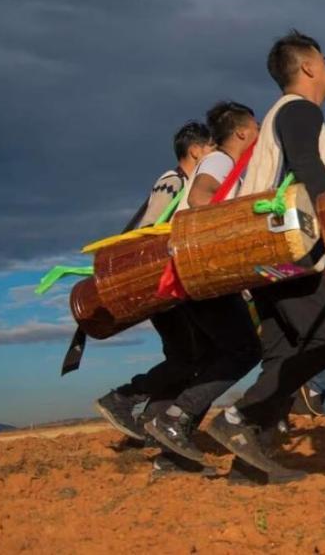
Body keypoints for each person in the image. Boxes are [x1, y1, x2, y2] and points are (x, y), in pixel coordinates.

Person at [203, 32, 325, 482]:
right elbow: (308, 167)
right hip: (289, 251)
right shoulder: (301, 110)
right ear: (307, 68)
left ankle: (249, 465)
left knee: (282, 358)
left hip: (259, 254)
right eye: (323, 59)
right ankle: (239, 418)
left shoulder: (276, 117)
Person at [141, 103, 265, 477]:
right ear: (243, 132)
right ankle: (171, 419)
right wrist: (244, 221)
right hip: (202, 267)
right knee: (244, 349)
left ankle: (171, 451)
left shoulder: (228, 165)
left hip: (198, 268)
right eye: (256, 127)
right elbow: (200, 199)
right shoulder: (221, 162)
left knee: (221, 352)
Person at [93, 121, 212, 460]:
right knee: (189, 358)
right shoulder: (172, 182)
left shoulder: (187, 184)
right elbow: (150, 230)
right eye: (211, 150)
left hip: (174, 283)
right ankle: (123, 398)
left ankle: (149, 422)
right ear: (195, 151)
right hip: (160, 282)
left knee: (185, 358)